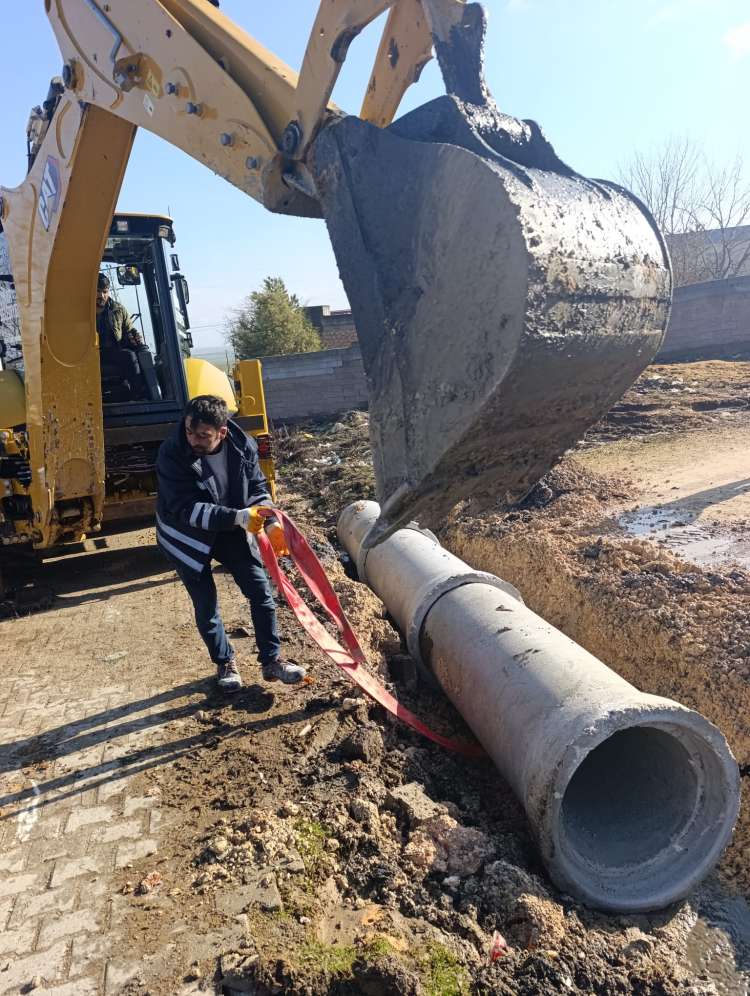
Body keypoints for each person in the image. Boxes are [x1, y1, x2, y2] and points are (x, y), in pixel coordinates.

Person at [155, 394, 306, 692]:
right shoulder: (172, 453)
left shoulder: (242, 445)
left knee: (260, 591)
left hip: (230, 525)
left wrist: (272, 521)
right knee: (206, 603)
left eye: (203, 435)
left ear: (222, 432)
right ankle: (225, 662)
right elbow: (185, 509)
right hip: (186, 535)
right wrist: (238, 517)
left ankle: (272, 661)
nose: (193, 440)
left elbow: (257, 487)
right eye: (189, 431)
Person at [96, 273, 161, 401]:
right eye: (98, 291)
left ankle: (138, 396)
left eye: (105, 291)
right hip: (89, 353)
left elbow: (129, 330)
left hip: (113, 351)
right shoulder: (80, 311)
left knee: (132, 355)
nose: (101, 296)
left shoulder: (118, 310)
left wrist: (135, 339)